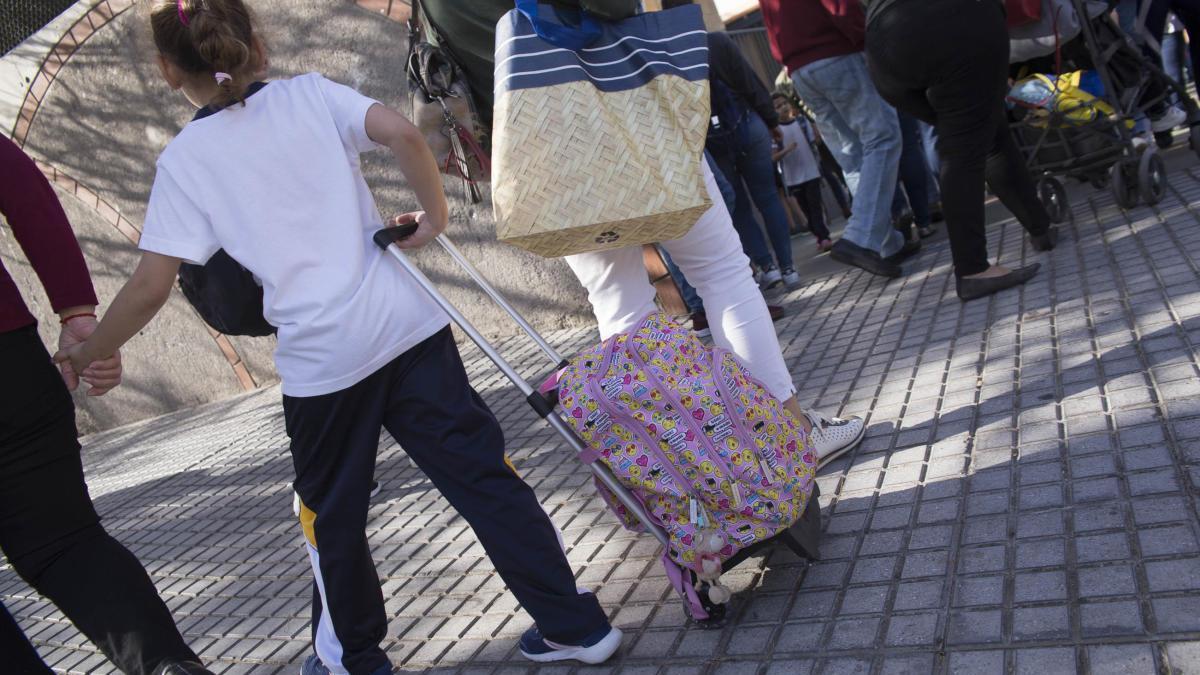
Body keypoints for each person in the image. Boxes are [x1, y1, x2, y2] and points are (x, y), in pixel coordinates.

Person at [55, 1, 621, 671]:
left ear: (166, 70)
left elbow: (150, 286)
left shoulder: (185, 162)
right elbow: (404, 137)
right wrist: (433, 218)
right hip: (408, 328)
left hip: (325, 364)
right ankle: (574, 624)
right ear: (250, 41)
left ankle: (354, 656)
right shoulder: (310, 96)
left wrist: (90, 349)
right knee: (484, 479)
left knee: (333, 518)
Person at [421, 0, 871, 468]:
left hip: (543, 154)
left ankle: (697, 466)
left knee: (618, 302)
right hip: (627, 115)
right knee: (721, 274)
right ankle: (789, 441)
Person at [0, 135, 212, 675]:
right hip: (9, 367)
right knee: (66, 543)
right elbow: (23, 187)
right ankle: (169, 667)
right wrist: (77, 314)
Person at [863, 0, 1055, 301]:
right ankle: (973, 268)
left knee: (983, 130)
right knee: (965, 145)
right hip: (955, 23)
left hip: (884, 44)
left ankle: (1040, 226)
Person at [759, 0, 908, 279]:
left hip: (800, 69)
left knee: (851, 156)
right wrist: (865, 40)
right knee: (883, 138)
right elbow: (841, 7)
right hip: (837, 53)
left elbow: (772, 26)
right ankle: (862, 239)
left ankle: (883, 244)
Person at [704, 30, 803, 290]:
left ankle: (767, 267)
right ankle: (789, 268)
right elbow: (749, 82)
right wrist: (771, 119)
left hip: (712, 139)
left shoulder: (670, 50)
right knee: (769, 198)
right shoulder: (717, 42)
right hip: (747, 124)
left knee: (739, 208)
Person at [772, 93, 833, 252]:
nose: (783, 107)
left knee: (815, 207)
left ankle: (824, 237)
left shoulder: (802, 122)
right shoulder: (775, 131)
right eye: (778, 106)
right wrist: (786, 150)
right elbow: (773, 157)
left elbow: (816, 141)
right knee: (806, 210)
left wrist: (818, 132)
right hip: (793, 178)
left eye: (785, 103)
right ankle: (819, 235)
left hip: (811, 171)